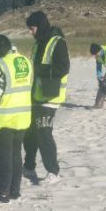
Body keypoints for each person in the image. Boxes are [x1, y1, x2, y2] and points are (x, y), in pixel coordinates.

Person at [0, 34, 32, 202]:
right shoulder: (25, 61)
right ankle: (15, 191)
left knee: (5, 156)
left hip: (5, 118)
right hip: (24, 116)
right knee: (17, 155)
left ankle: (3, 192)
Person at [23, 10, 69, 186]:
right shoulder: (38, 43)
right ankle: (29, 166)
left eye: (32, 28)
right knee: (30, 133)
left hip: (50, 97)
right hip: (35, 96)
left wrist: (41, 70)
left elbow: (63, 68)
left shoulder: (57, 42)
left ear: (40, 26)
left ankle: (53, 172)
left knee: (44, 133)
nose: (30, 32)